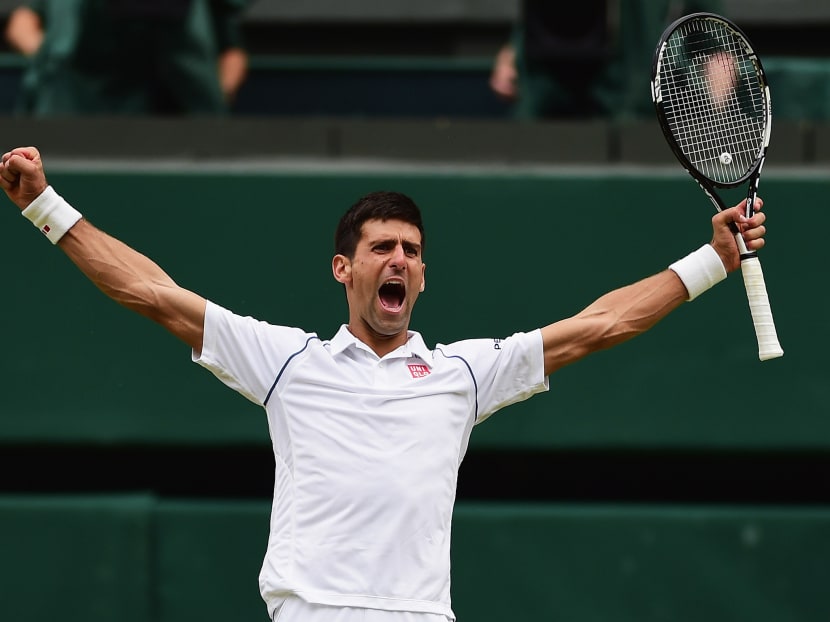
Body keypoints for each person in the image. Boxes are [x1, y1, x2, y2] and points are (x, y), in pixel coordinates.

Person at [0, 145, 768, 622]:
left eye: (411, 250)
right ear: (345, 269)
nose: (397, 259)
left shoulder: (464, 374)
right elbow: (151, 292)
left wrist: (710, 264)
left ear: (424, 275)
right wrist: (43, 206)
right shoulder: (287, 364)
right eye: (380, 248)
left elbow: (600, 324)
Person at [4, 0, 250, 116]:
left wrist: (215, 98)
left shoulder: (198, 13)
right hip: (70, 110)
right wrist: (48, 60)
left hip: (166, 117)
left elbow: (232, 52)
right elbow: (22, 23)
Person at [490, 0, 724, 119]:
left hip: (629, 93)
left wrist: (717, 55)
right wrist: (515, 47)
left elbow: (714, 40)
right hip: (546, 86)